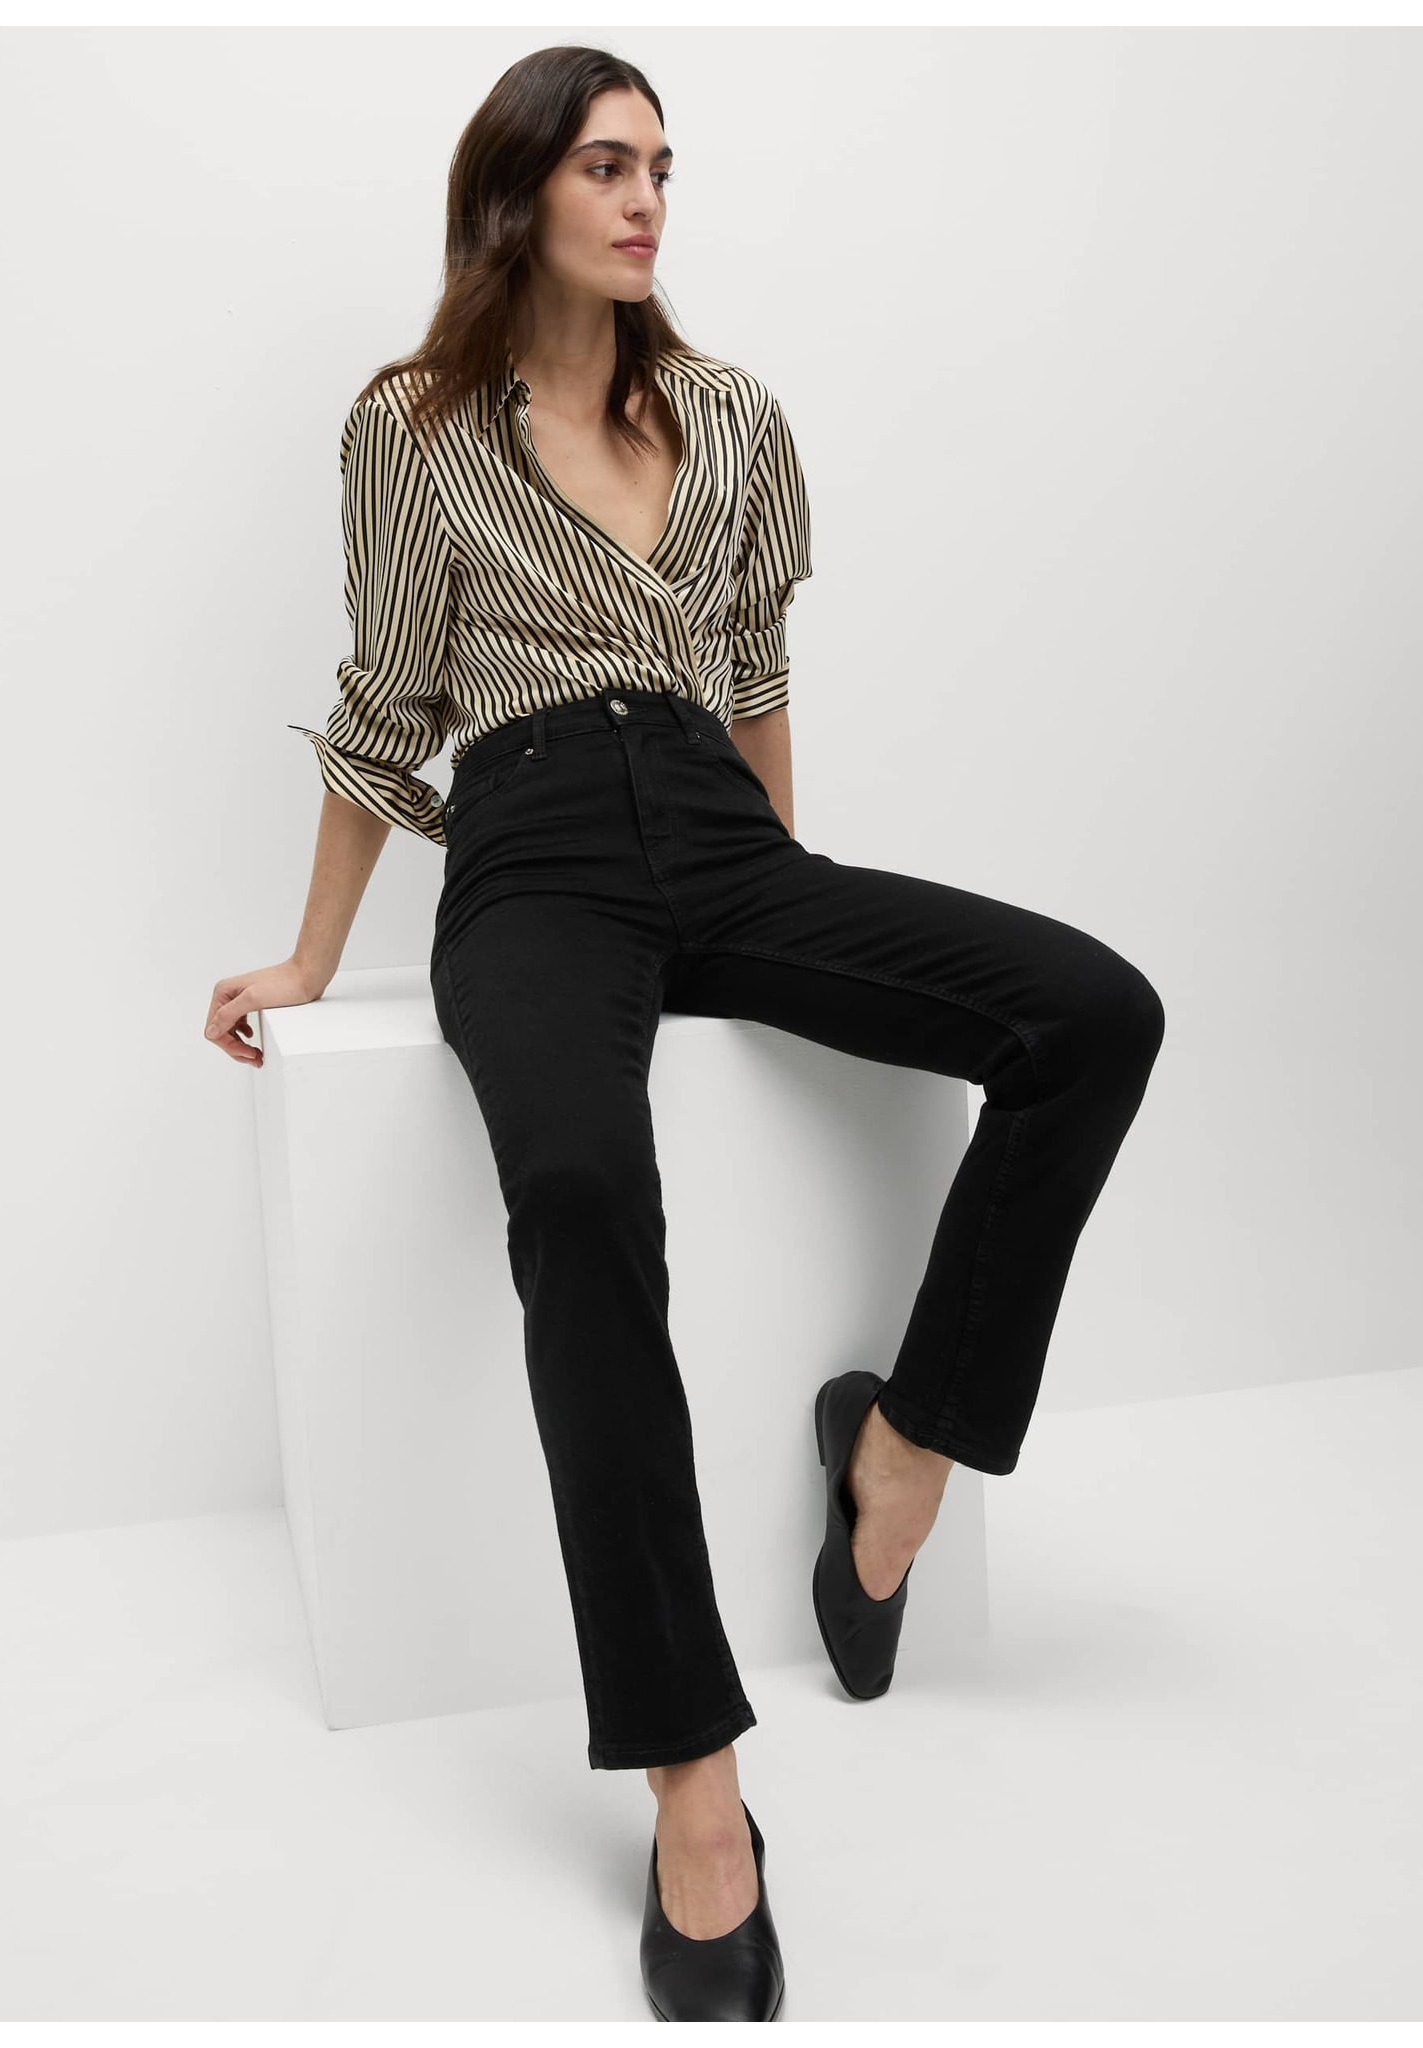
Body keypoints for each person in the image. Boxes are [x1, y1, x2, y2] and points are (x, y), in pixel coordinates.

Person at [204, 46, 1165, 2020]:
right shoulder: (413, 426)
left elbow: (757, 671)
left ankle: (905, 1451)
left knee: (1092, 1011)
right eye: (606, 165)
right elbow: (386, 701)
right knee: (575, 1191)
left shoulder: (731, 417)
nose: (648, 198)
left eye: (662, 166)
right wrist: (308, 960)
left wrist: (788, 893)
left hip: (723, 845)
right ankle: (693, 1784)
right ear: (517, 194)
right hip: (534, 858)